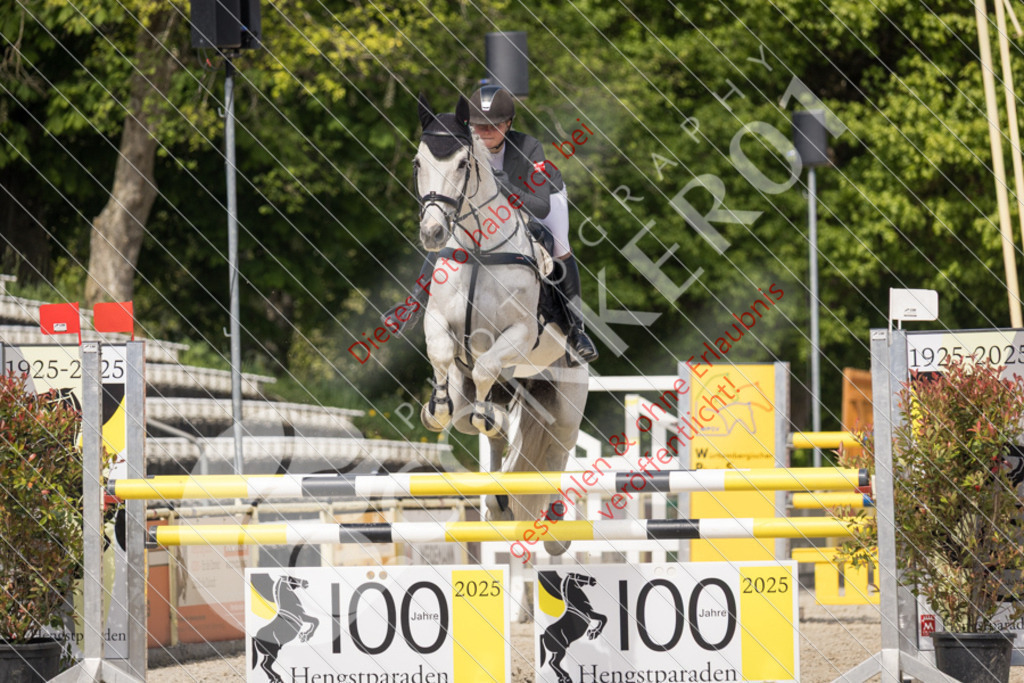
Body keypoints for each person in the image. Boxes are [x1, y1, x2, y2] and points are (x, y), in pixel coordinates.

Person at [382, 85, 598, 365]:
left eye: (492, 126)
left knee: (558, 246)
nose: (483, 133)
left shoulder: (529, 147)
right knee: (447, 236)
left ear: (508, 124)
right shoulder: (463, 145)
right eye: (477, 126)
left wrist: (507, 189)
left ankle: (575, 329)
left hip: (535, 194)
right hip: (490, 207)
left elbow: (540, 206)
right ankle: (412, 306)